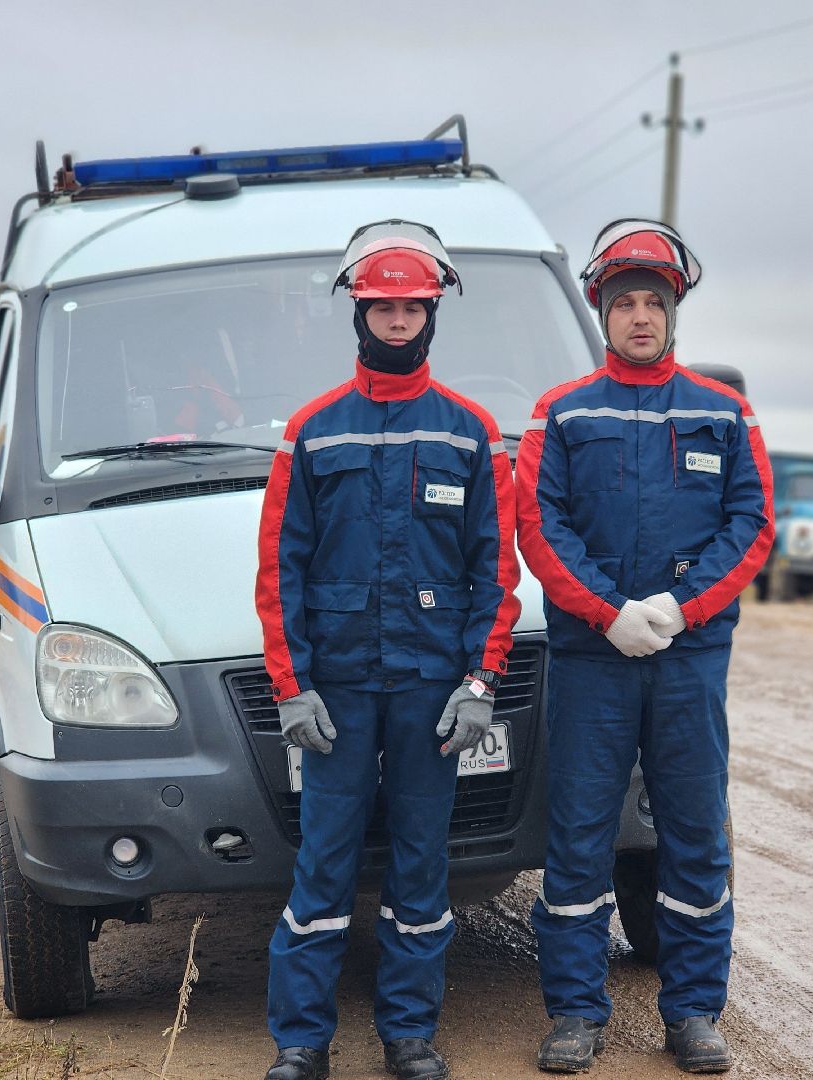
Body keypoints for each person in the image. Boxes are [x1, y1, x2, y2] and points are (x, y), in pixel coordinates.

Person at [254, 220, 521, 1080]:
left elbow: (496, 570)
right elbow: (279, 571)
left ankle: (410, 1035)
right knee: (324, 862)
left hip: (430, 690)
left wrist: (482, 677)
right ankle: (301, 1042)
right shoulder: (312, 432)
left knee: (420, 862)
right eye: (383, 307)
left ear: (432, 313)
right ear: (358, 315)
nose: (397, 320)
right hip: (335, 689)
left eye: (412, 307)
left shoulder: (469, 432)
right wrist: (290, 687)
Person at [514, 219, 773, 1074]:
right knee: (580, 836)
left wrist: (681, 607)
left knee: (694, 834)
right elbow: (539, 527)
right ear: (601, 313)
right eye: (623, 302)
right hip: (594, 659)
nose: (638, 317)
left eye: (651, 303)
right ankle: (576, 1014)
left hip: (688, 661)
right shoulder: (561, 411)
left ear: (672, 314)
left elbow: (754, 525)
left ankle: (694, 1012)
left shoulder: (724, 411)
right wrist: (607, 611)